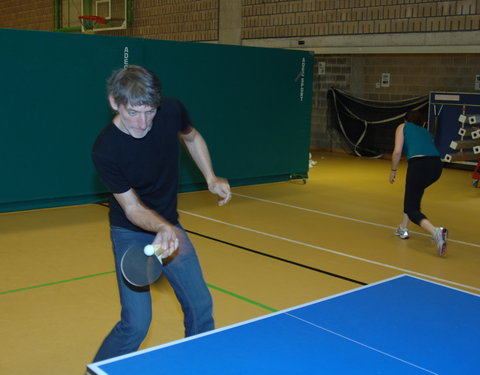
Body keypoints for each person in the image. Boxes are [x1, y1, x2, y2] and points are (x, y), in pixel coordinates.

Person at [91, 65, 231, 362]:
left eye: (149, 111)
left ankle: (198, 365)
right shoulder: (106, 149)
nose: (143, 123)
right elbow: (131, 208)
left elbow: (191, 137)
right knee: (136, 324)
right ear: (114, 102)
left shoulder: (171, 111)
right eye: (132, 112)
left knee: (200, 307)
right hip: (131, 233)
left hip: (169, 226)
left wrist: (210, 176)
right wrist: (163, 228)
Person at [389, 109, 447, 256]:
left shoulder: (402, 127)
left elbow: (397, 151)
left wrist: (393, 170)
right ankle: (403, 228)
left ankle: (436, 232)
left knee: (411, 207)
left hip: (419, 165)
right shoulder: (424, 131)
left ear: (406, 120)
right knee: (412, 197)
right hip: (436, 167)